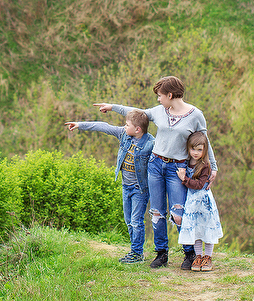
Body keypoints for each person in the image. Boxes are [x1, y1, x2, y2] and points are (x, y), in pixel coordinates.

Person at [93, 75, 217, 270]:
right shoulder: (160, 111)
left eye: (160, 95)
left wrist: (213, 167)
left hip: (177, 169)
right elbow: (136, 113)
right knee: (157, 212)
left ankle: (189, 253)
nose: (158, 99)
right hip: (156, 165)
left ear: (170, 95)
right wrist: (112, 107)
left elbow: (204, 141)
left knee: (178, 213)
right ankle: (161, 253)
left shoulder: (195, 115)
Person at [64, 110, 154, 264]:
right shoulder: (124, 134)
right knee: (128, 220)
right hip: (126, 186)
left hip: (140, 189)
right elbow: (103, 127)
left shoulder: (150, 143)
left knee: (136, 221)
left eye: (127, 125)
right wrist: (80, 125)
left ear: (138, 129)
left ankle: (137, 253)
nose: (124, 127)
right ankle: (134, 251)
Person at [176, 131, 223, 272]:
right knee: (196, 230)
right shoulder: (186, 163)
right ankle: (198, 256)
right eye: (193, 149)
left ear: (204, 150)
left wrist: (184, 179)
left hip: (203, 203)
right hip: (192, 203)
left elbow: (199, 185)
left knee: (207, 229)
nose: (195, 153)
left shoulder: (205, 165)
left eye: (199, 150)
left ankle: (207, 257)